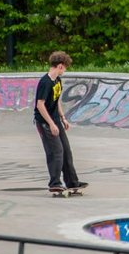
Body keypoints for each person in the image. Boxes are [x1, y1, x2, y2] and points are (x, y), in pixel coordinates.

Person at [33, 51, 88, 193]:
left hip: (56, 120)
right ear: (60, 66)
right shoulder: (45, 82)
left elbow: (56, 101)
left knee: (66, 151)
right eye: (65, 68)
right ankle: (55, 183)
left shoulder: (57, 80)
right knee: (56, 151)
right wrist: (51, 123)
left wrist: (63, 118)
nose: (66, 71)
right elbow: (40, 104)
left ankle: (72, 182)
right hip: (44, 122)